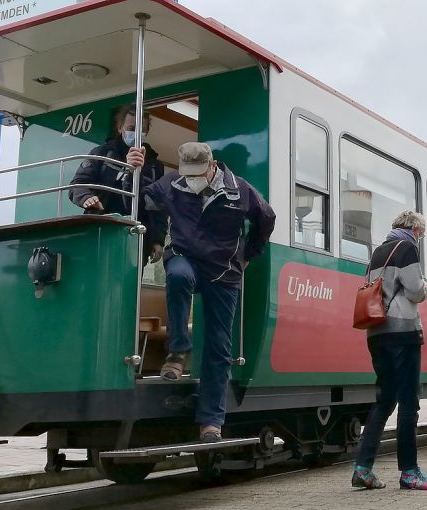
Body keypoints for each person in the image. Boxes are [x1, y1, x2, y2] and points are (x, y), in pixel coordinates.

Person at [142, 142, 275, 441]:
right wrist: (133, 171)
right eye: (187, 173)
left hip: (223, 270)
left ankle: (211, 421)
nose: (191, 179)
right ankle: (178, 352)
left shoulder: (239, 189)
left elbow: (266, 217)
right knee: (176, 277)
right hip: (184, 256)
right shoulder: (170, 183)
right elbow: (141, 203)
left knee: (218, 346)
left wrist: (248, 255)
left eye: (197, 173)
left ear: (212, 165)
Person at [351, 211, 427, 491]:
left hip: (377, 333)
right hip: (403, 332)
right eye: (422, 233)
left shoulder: (378, 251)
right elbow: (414, 290)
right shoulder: (407, 248)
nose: (420, 237)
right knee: (408, 401)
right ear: (414, 228)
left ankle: (363, 468)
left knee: (384, 400)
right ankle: (409, 472)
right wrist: (426, 288)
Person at [68, 104, 165, 260]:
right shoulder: (101, 154)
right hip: (100, 232)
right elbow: (77, 185)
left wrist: (158, 240)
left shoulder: (155, 166)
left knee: (129, 283)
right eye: (131, 128)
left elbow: (158, 207)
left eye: (142, 129)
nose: (137, 133)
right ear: (120, 128)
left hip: (136, 237)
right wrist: (86, 197)